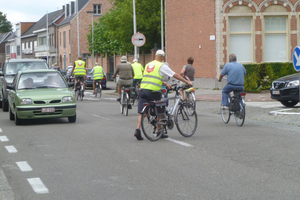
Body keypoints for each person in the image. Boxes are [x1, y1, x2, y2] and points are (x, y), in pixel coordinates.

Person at [134, 50, 193, 140]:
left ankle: (137, 130)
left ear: (155, 56)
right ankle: (159, 131)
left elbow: (151, 77)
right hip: (153, 92)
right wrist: (187, 82)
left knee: (143, 112)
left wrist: (165, 83)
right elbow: (175, 75)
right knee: (160, 110)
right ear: (163, 58)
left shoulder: (148, 65)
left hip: (142, 90)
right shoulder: (162, 66)